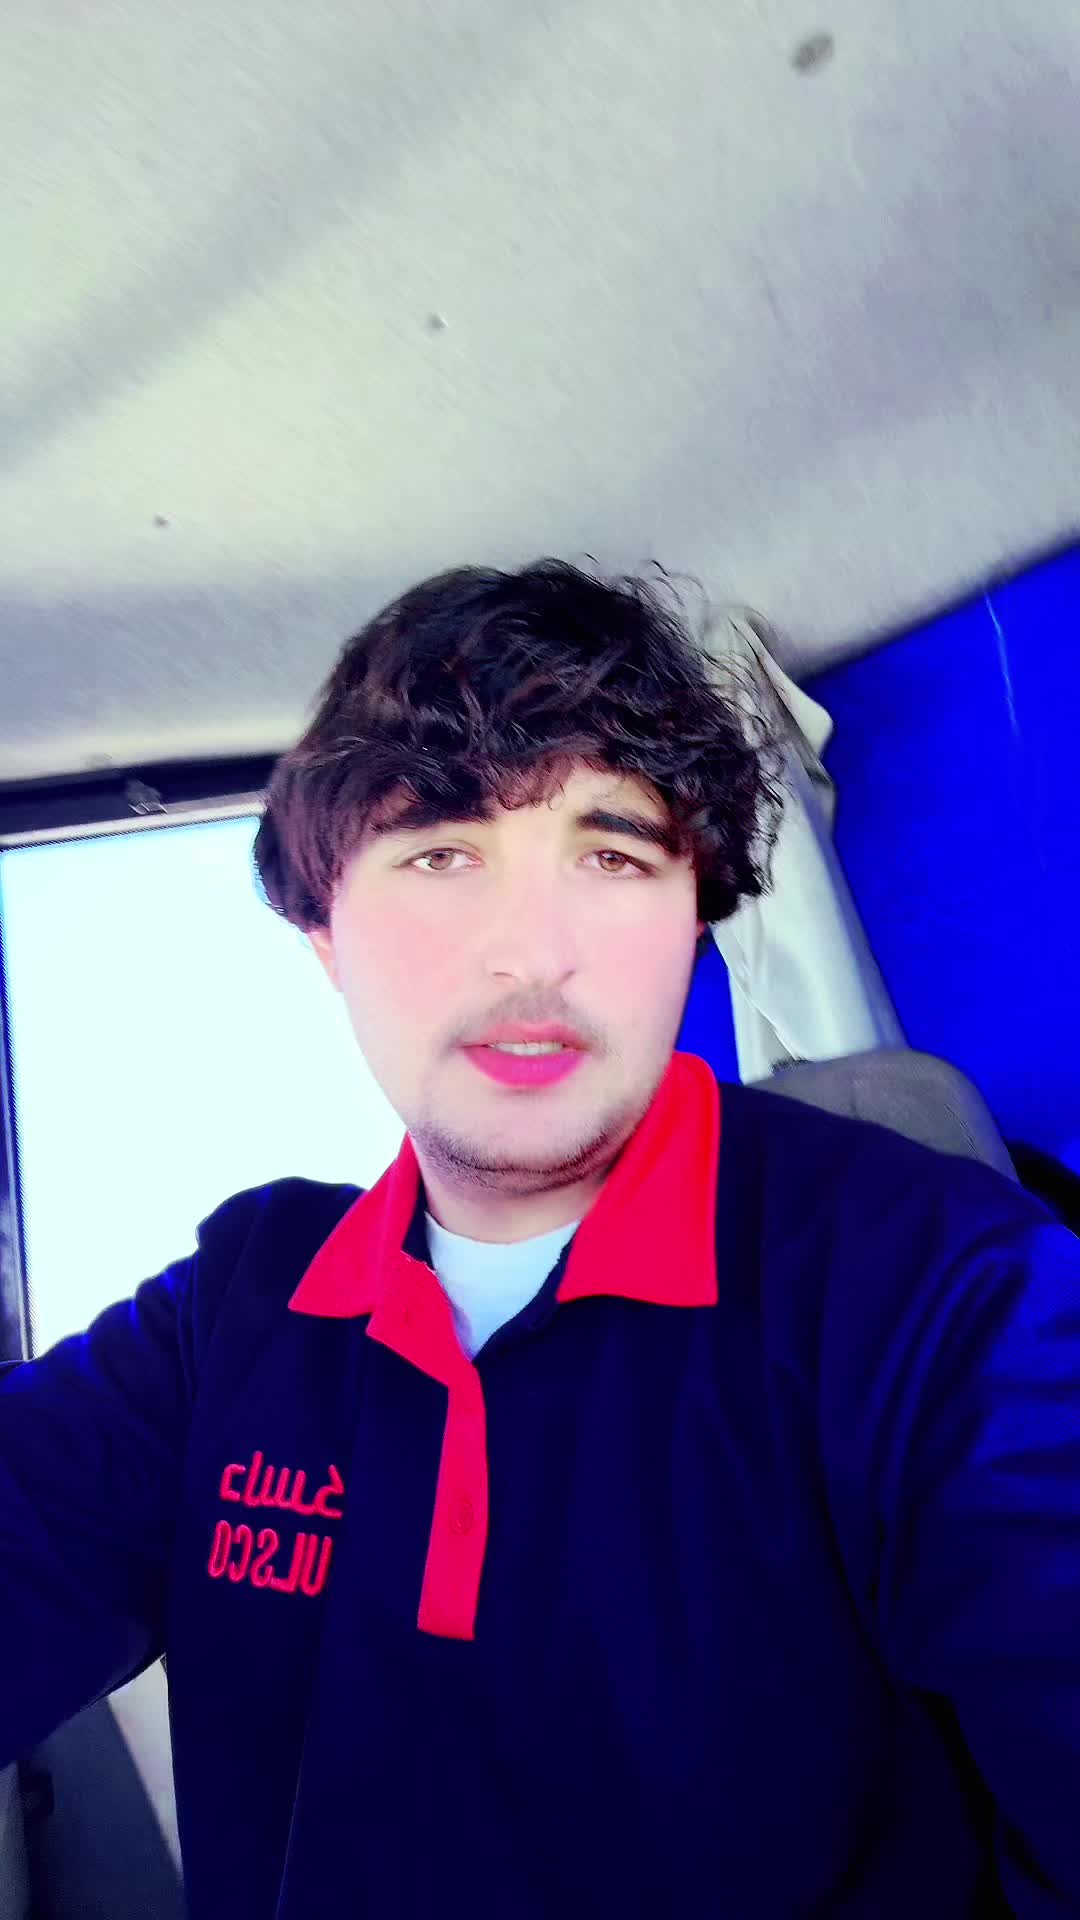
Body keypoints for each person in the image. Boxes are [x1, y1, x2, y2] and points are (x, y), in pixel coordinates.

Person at [2, 558, 1080, 1919]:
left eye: (612, 855)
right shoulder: (236, 1310)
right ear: (326, 937)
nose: (531, 951)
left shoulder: (946, 1292)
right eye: (442, 854)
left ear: (693, 923)